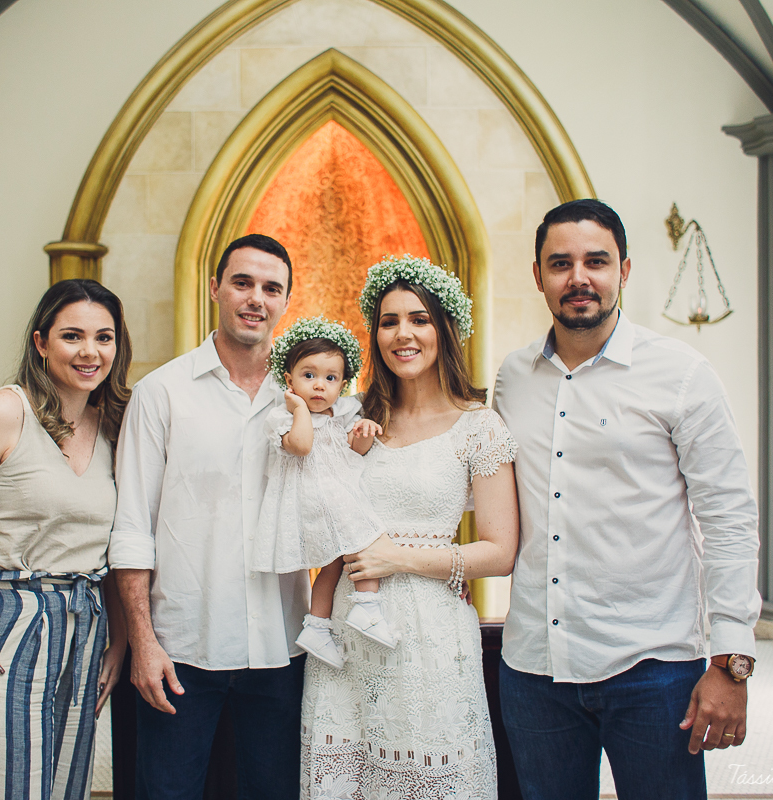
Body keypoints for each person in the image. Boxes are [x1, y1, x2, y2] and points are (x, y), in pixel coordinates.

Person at [492, 199, 762, 800]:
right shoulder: (512, 378)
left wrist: (731, 659)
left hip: (653, 668)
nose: (578, 277)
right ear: (538, 276)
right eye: (560, 263)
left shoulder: (682, 374)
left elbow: (729, 518)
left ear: (625, 271)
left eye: (596, 261)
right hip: (534, 665)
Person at [301, 254, 520, 800]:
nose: (403, 334)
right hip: (348, 634)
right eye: (389, 320)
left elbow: (499, 552)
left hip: (431, 634)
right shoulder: (348, 417)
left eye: (419, 319)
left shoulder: (479, 426)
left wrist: (399, 558)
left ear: (444, 329)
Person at [0, 278, 132, 800]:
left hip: (84, 622)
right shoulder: (4, 413)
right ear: (41, 342)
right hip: (0, 617)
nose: (90, 352)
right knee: (2, 784)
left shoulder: (114, 426)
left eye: (104, 338)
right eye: (72, 336)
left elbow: (118, 545)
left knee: (62, 785)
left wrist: (119, 636)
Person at [110, 233, 309, 799]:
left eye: (272, 288)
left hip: (280, 644)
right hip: (181, 649)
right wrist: (143, 641)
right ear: (215, 287)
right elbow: (131, 530)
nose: (256, 298)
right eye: (242, 282)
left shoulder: (305, 399)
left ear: (285, 302)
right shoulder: (161, 394)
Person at [252, 316, 393, 671]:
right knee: (369, 535)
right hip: (316, 502)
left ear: (343, 384)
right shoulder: (282, 418)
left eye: (330, 378)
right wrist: (298, 408)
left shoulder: (342, 412)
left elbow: (354, 451)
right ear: (289, 380)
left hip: (336, 496)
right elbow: (300, 447)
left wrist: (364, 431)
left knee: (332, 567)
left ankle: (317, 625)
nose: (319, 386)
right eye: (308, 375)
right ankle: (367, 605)